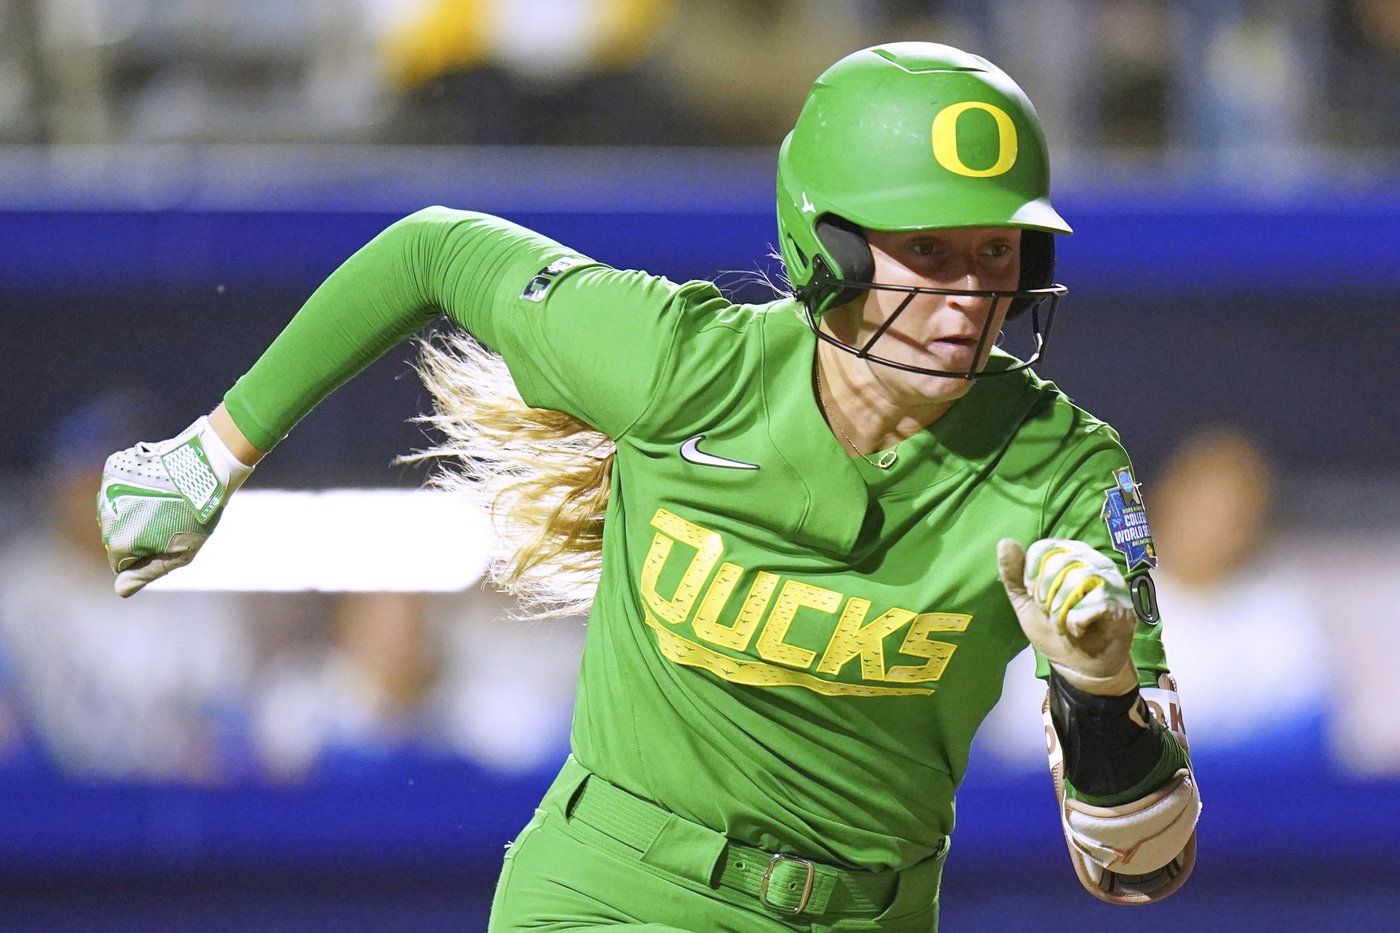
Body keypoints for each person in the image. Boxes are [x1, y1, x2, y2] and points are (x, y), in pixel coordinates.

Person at [95, 42, 1199, 931]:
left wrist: (1095, 688)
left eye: (994, 254)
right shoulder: (682, 362)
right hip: (609, 893)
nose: (969, 294)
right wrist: (216, 451)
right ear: (828, 245)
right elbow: (430, 248)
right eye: (928, 252)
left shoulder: (1068, 473)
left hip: (870, 914)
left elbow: (1142, 871)